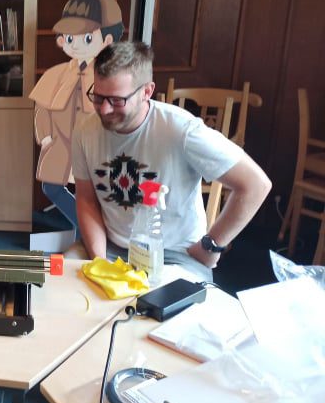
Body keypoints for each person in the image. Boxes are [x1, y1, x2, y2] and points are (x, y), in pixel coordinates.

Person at [71, 41, 271, 281]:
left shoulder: (181, 130)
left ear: (147, 92)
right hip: (111, 248)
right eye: (98, 97)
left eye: (116, 100)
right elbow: (86, 199)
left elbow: (256, 185)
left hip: (174, 256)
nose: (103, 110)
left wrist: (211, 246)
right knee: (58, 286)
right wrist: (101, 263)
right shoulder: (85, 130)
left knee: (157, 304)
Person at [29, 0, 124, 227]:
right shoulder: (57, 74)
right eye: (70, 38)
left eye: (88, 38)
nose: (76, 45)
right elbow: (42, 108)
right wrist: (45, 136)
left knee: (92, 189)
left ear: (107, 40)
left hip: (94, 146)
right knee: (51, 186)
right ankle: (85, 225)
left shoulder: (110, 76)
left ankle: (90, 228)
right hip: (61, 142)